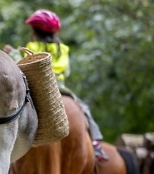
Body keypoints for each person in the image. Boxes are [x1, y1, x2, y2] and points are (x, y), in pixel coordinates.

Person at [6, 9, 107, 161]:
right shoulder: (63, 49)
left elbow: (23, 63)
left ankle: (7, 148)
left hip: (38, 89)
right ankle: (96, 143)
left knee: (14, 113)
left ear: (34, 31)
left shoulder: (32, 46)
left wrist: (13, 52)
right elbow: (67, 72)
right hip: (62, 90)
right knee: (85, 110)